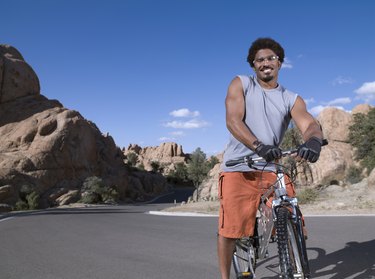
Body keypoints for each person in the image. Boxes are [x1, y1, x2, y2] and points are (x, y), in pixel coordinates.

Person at [217, 37, 323, 279]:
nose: (266, 62)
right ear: (253, 65)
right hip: (238, 167)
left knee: (293, 212)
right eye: (260, 59)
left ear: (280, 63)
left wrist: (314, 141)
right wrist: (258, 145)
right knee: (231, 230)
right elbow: (233, 120)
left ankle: (294, 257)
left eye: (271, 58)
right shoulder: (241, 83)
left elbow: (309, 123)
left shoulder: (291, 98)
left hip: (271, 167)